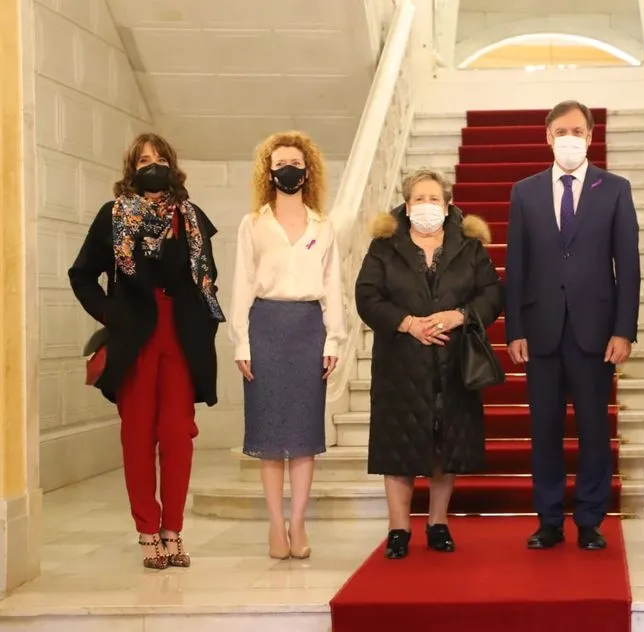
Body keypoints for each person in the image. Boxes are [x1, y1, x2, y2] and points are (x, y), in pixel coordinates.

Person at [69, 133, 223, 570]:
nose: (152, 165)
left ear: (171, 165)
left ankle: (173, 529)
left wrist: (204, 319)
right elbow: (82, 275)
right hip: (135, 337)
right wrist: (110, 314)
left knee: (178, 436)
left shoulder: (190, 216)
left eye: (159, 158)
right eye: (143, 160)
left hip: (181, 336)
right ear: (132, 170)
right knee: (137, 437)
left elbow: (207, 278)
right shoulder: (114, 215)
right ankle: (147, 531)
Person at [505, 100, 641, 550]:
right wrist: (514, 328)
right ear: (548, 136)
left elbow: (629, 266)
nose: (569, 138)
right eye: (561, 131)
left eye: (577, 131)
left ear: (590, 136)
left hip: (595, 331)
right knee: (544, 429)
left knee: (593, 430)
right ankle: (548, 520)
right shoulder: (524, 192)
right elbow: (516, 264)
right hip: (541, 329)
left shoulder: (615, 188)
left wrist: (624, 329)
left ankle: (589, 519)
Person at [355, 168, 503, 559]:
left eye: (433, 198)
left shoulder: (469, 246)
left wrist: (460, 316)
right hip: (400, 363)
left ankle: (438, 523)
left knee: (445, 444)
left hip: (453, 362)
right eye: (418, 199)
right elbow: (367, 296)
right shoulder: (385, 246)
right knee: (398, 444)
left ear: (447, 205)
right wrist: (407, 323)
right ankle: (398, 528)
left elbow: (491, 295)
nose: (426, 205)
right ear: (406, 206)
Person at [229, 131, 345, 560]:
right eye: (280, 164)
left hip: (308, 328)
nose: (288, 170)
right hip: (265, 327)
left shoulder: (323, 225)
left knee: (303, 432)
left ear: (307, 170)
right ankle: (275, 524)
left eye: (295, 163)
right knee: (268, 432)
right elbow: (242, 284)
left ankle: (298, 522)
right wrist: (241, 343)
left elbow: (333, 286)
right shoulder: (253, 223)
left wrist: (334, 338)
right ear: (269, 171)